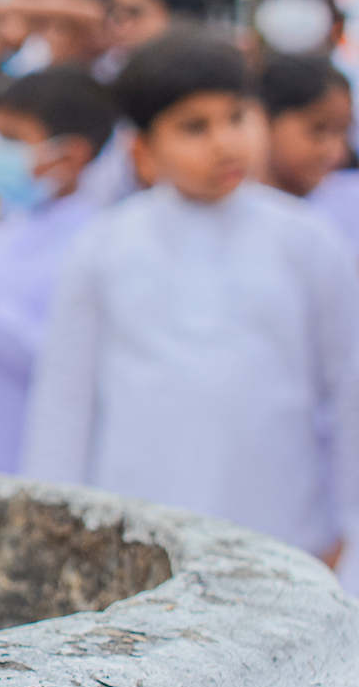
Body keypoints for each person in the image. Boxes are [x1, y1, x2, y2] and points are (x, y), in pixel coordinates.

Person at [22, 33, 359, 571]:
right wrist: (49, 536)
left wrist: (350, 532)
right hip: (138, 538)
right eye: (194, 127)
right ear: (143, 152)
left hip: (281, 538)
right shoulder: (104, 247)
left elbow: (349, 391)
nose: (225, 143)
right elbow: (65, 401)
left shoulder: (308, 242)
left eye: (235, 117)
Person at [0, 69, 116, 472]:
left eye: (13, 141)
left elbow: (75, 359)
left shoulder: (94, 242)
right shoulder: (4, 227)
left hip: (34, 451)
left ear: (71, 155)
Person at [258, 57, 359, 258]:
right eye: (318, 129)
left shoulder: (346, 203)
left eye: (343, 132)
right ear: (264, 119)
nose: (335, 151)